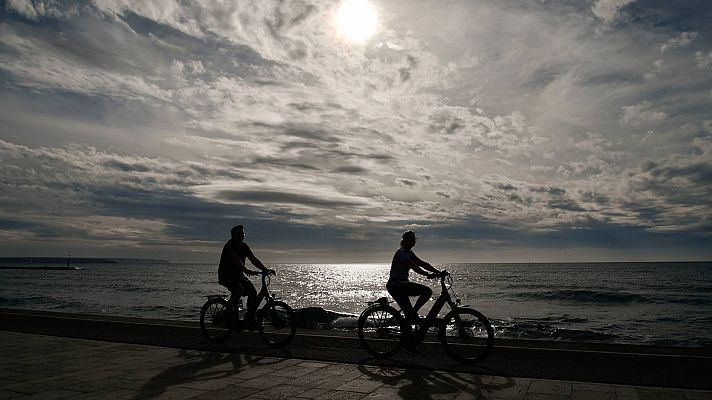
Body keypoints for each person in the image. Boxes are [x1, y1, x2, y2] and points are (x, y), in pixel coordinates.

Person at [218, 225, 272, 329]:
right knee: (239, 289)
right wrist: (246, 270)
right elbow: (236, 259)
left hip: (238, 276)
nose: (242, 236)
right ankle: (228, 314)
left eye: (243, 234)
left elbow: (253, 259)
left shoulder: (244, 246)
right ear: (234, 235)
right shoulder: (230, 245)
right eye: (240, 234)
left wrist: (264, 269)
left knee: (252, 292)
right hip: (226, 275)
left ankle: (249, 318)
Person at [387, 231, 443, 330]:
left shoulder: (409, 252)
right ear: (405, 240)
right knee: (427, 291)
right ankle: (412, 316)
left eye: (414, 239)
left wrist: (438, 272)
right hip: (396, 286)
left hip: (402, 285)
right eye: (411, 239)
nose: (414, 241)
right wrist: (426, 274)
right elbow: (413, 266)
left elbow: (422, 263)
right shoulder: (402, 253)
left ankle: (408, 331)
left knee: (409, 314)